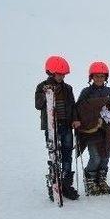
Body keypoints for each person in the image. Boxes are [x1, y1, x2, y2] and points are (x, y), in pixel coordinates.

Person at [34, 55, 79, 200]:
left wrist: (75, 120)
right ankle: (54, 184)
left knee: (67, 154)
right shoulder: (42, 87)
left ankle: (66, 185)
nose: (61, 77)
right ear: (51, 73)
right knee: (54, 154)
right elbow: (38, 105)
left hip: (66, 125)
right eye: (59, 74)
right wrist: (47, 93)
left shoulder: (68, 88)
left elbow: (72, 106)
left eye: (63, 74)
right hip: (51, 126)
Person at [75, 61, 110, 195]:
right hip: (91, 130)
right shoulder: (86, 92)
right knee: (96, 157)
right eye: (96, 76)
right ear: (91, 77)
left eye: (102, 76)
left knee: (105, 156)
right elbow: (79, 108)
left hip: (106, 130)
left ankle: (101, 180)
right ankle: (90, 179)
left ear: (106, 77)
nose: (99, 78)